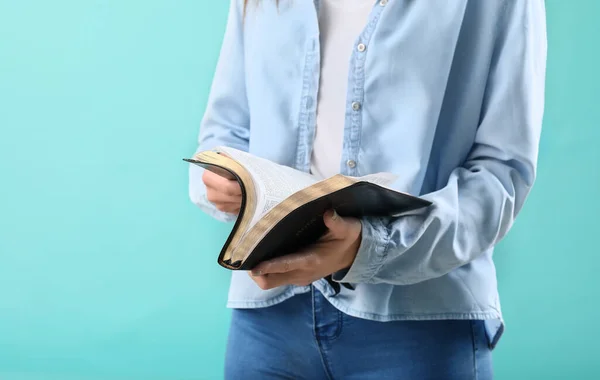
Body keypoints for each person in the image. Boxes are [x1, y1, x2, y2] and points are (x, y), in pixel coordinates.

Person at [189, 0, 547, 378]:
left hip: (417, 325)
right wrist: (226, 181)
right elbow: (224, 131)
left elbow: (501, 173)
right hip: (267, 322)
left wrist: (371, 246)